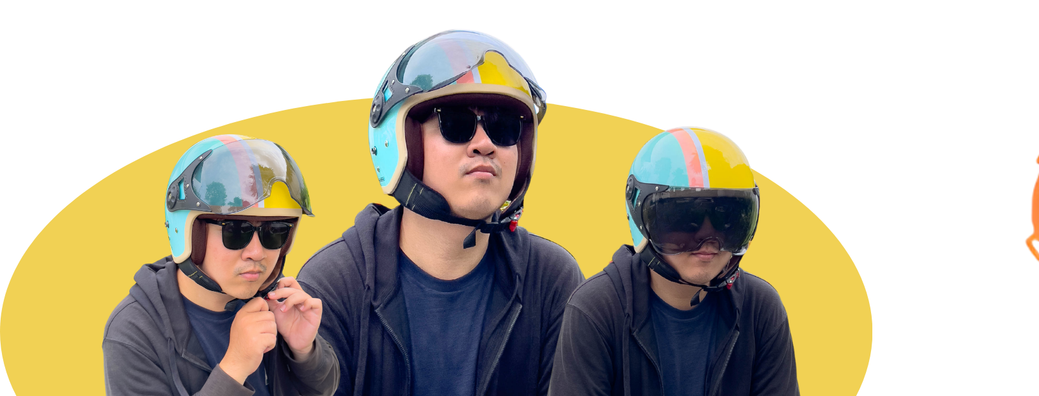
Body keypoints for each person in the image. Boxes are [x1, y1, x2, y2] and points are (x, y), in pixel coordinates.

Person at [295, 30, 583, 396]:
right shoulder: (333, 285)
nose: (485, 144)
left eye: (504, 127)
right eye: (456, 123)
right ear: (403, 143)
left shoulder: (551, 280)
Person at [550, 127, 800, 395]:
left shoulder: (760, 309)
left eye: (725, 218)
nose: (708, 239)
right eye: (685, 218)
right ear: (641, 219)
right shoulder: (596, 309)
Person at [103, 135, 338, 396]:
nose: (257, 253)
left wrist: (305, 352)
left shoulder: (279, 305)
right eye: (235, 231)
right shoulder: (134, 331)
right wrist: (234, 368)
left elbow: (323, 390)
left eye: (275, 231)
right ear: (191, 233)